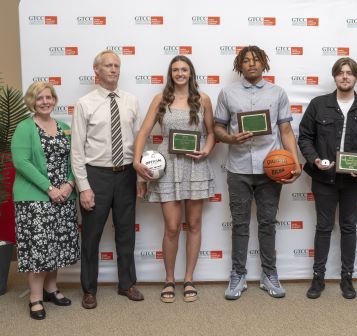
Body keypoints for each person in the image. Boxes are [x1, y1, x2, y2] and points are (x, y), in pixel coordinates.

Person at [214, 45, 301, 300]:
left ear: (264, 63)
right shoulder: (227, 93)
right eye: (246, 61)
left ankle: (269, 274)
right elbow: (218, 128)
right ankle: (237, 275)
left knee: (267, 223)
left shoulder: (278, 93)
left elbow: (285, 131)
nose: (251, 64)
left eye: (256, 60)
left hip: (270, 170)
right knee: (240, 224)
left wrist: (295, 163)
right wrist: (231, 138)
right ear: (239, 65)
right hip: (238, 169)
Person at [133, 55, 215, 303]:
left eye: (184, 69)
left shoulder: (203, 99)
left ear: (191, 73)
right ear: (170, 74)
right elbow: (144, 132)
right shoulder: (161, 99)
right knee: (171, 227)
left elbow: (211, 133)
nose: (180, 73)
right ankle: (169, 279)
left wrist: (207, 150)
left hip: (196, 165)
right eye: (175, 70)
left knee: (195, 225)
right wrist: (137, 163)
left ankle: (188, 278)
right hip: (167, 167)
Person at [298, 57, 357, 299]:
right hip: (324, 178)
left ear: (356, 77)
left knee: (348, 226)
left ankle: (347, 277)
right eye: (341, 73)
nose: (345, 76)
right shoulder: (319, 104)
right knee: (323, 227)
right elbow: (304, 137)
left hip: (355, 179)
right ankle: (318, 277)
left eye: (350, 73)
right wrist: (315, 159)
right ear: (335, 77)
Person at [71, 50, 144, 309]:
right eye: (108, 66)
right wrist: (84, 187)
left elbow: (137, 143)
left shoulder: (131, 101)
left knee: (126, 233)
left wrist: (140, 178)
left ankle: (127, 284)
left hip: (126, 174)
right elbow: (77, 151)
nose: (113, 70)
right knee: (91, 236)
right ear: (97, 72)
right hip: (96, 175)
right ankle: (89, 290)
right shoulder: (85, 103)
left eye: (117, 65)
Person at [11, 81, 80, 319]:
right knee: (38, 249)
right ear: (32, 101)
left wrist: (69, 184)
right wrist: (50, 188)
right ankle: (35, 298)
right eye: (39, 98)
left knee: (56, 246)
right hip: (35, 199)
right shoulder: (24, 127)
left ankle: (52, 290)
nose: (45, 102)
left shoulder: (63, 127)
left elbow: (74, 159)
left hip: (63, 196)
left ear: (54, 100)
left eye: (49, 97)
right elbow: (22, 162)